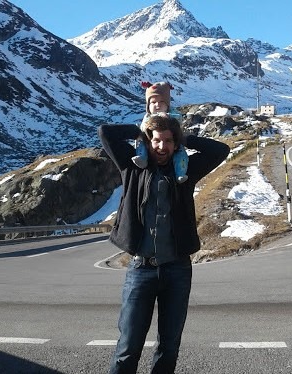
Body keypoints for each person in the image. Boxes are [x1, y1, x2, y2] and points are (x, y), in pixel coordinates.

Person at [99, 115, 230, 374]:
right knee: (128, 347)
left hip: (177, 270)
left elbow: (220, 150)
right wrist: (138, 130)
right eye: (156, 140)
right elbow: (105, 133)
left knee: (169, 347)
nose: (162, 147)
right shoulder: (132, 165)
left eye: (169, 141)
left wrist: (184, 138)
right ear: (148, 141)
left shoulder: (185, 170)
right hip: (141, 270)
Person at [132, 81, 189, 183]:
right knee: (140, 143)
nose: (157, 105)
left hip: (177, 144)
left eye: (161, 102)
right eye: (153, 102)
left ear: (167, 105)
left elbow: (178, 120)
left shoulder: (172, 114)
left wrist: (182, 139)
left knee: (181, 155)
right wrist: (138, 132)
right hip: (146, 141)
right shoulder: (147, 117)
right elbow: (104, 132)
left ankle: (180, 173)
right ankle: (142, 158)